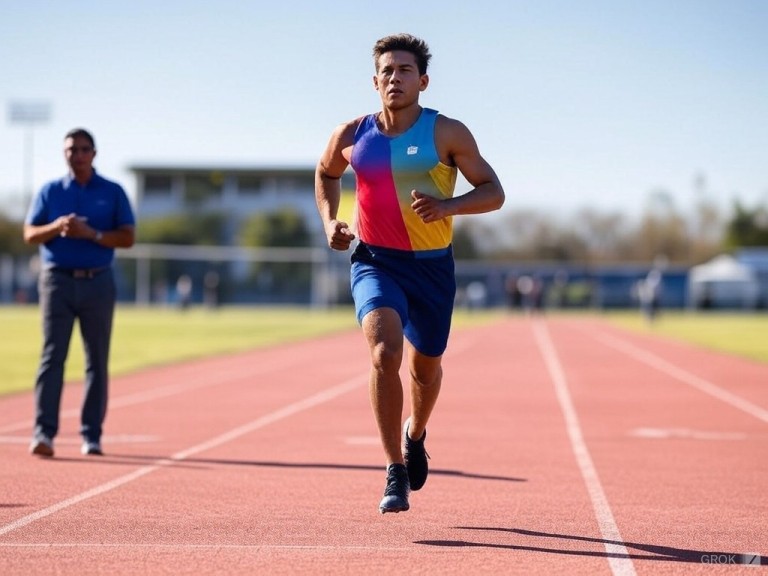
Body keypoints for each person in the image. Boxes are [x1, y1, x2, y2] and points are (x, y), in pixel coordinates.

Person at [315, 34, 505, 514]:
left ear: (422, 81)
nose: (394, 78)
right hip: (375, 261)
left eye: (404, 70)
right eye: (387, 70)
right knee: (385, 350)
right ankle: (393, 471)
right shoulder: (352, 135)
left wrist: (447, 206)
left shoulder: (447, 133)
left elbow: (494, 191)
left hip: (432, 269)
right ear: (374, 81)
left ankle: (415, 434)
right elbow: (325, 173)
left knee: (426, 369)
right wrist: (330, 222)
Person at [23, 128, 136, 458]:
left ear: (95, 153)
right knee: (52, 356)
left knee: (96, 360)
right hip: (57, 281)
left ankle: (92, 435)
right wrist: (56, 227)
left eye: (85, 149)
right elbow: (30, 234)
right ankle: (43, 433)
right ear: (64, 153)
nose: (79, 154)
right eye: (72, 149)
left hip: (98, 281)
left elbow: (128, 237)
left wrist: (92, 233)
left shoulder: (112, 192)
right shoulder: (50, 191)